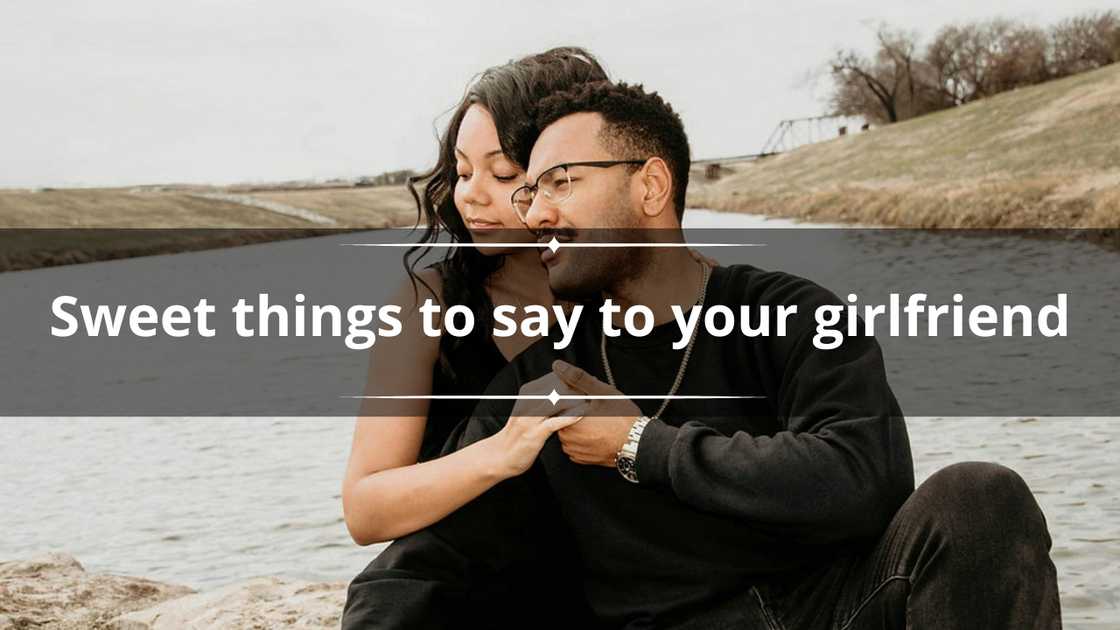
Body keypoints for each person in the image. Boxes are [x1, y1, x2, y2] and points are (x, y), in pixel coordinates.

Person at [346, 80, 1062, 629]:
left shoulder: (793, 313)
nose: (536, 213)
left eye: (561, 183)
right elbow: (418, 570)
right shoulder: (544, 380)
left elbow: (866, 476)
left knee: (979, 498)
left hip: (834, 608)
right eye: (529, 191)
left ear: (651, 185)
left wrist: (639, 443)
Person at [340, 47, 609, 628]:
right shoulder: (427, 302)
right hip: (452, 598)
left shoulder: (649, 290)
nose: (471, 194)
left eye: (502, 173)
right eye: (462, 171)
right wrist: (499, 452)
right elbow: (365, 510)